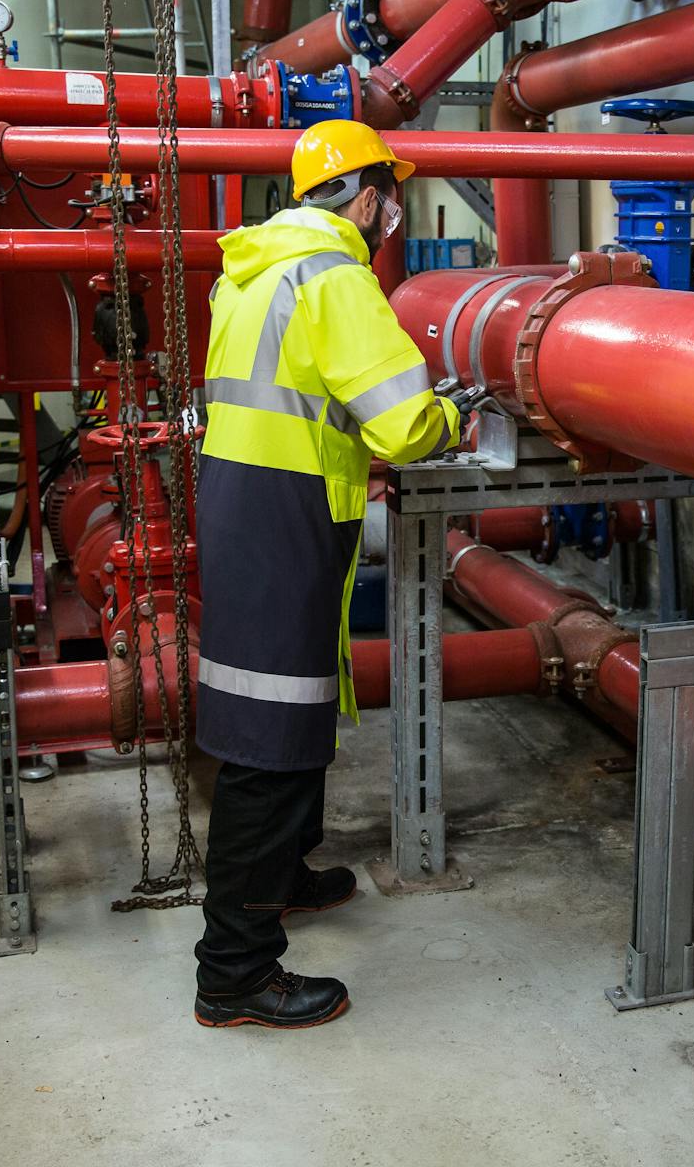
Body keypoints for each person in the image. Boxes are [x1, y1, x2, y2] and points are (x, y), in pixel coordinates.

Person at [191, 120, 459, 1029]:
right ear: (373, 196)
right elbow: (401, 426)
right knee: (266, 745)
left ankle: (286, 877)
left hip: (243, 503)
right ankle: (233, 972)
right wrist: (453, 419)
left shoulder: (253, 269)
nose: (392, 213)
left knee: (289, 711)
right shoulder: (335, 276)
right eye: (393, 195)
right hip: (286, 513)